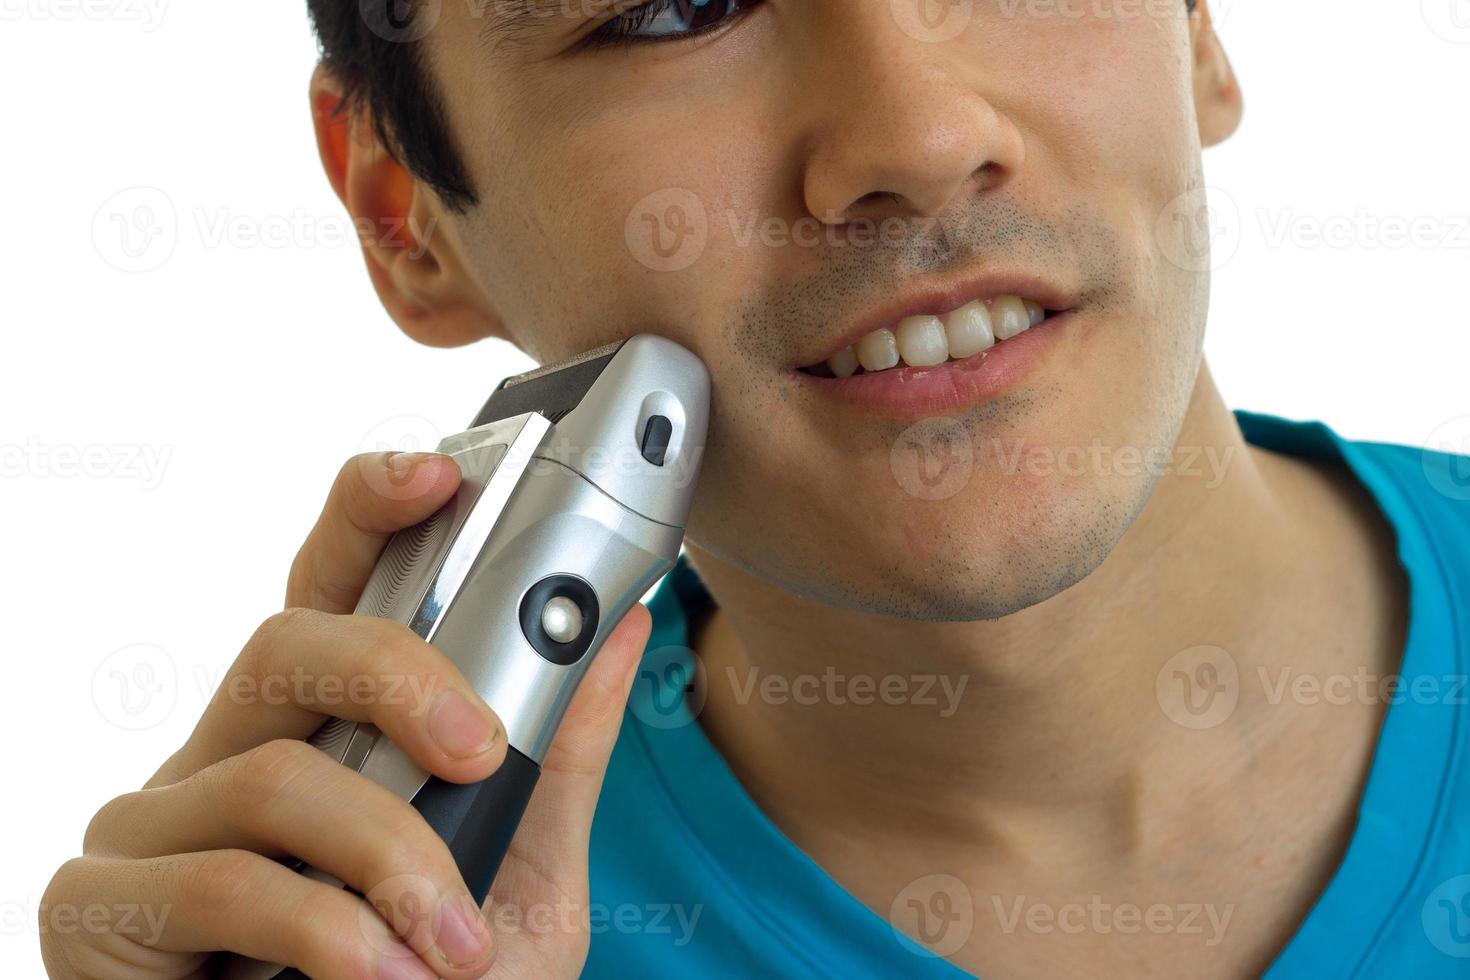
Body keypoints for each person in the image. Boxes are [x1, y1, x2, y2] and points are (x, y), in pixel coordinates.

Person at [41, 0, 1470, 977]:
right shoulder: (436, 935)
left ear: (1198, 26)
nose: (912, 143)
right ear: (401, 210)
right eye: (671, 6)